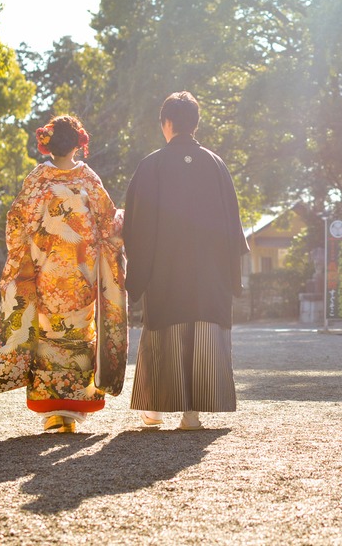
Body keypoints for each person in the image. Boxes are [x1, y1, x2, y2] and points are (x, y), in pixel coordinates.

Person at [0, 115, 128, 434]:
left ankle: (52, 411)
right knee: (77, 333)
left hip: (46, 275)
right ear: (78, 143)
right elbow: (107, 225)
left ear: (49, 143)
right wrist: (126, 218)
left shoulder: (38, 179)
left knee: (47, 333)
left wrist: (30, 257)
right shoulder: (89, 179)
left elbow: (17, 226)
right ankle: (74, 410)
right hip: (81, 275)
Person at [122, 91, 249, 430]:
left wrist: (136, 274)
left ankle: (155, 411)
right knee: (204, 333)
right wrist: (230, 276)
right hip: (209, 275)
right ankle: (192, 414)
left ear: (167, 123)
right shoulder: (215, 164)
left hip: (165, 272)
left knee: (165, 332)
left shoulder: (152, 165)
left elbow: (138, 226)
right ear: (195, 123)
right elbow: (233, 227)